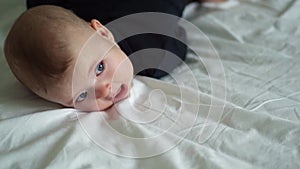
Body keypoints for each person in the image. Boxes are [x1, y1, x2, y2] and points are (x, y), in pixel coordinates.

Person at [4, 0, 236, 111]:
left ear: (104, 32)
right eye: (82, 96)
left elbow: (179, 36)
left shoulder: (156, 51)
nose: (104, 90)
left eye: (100, 68)